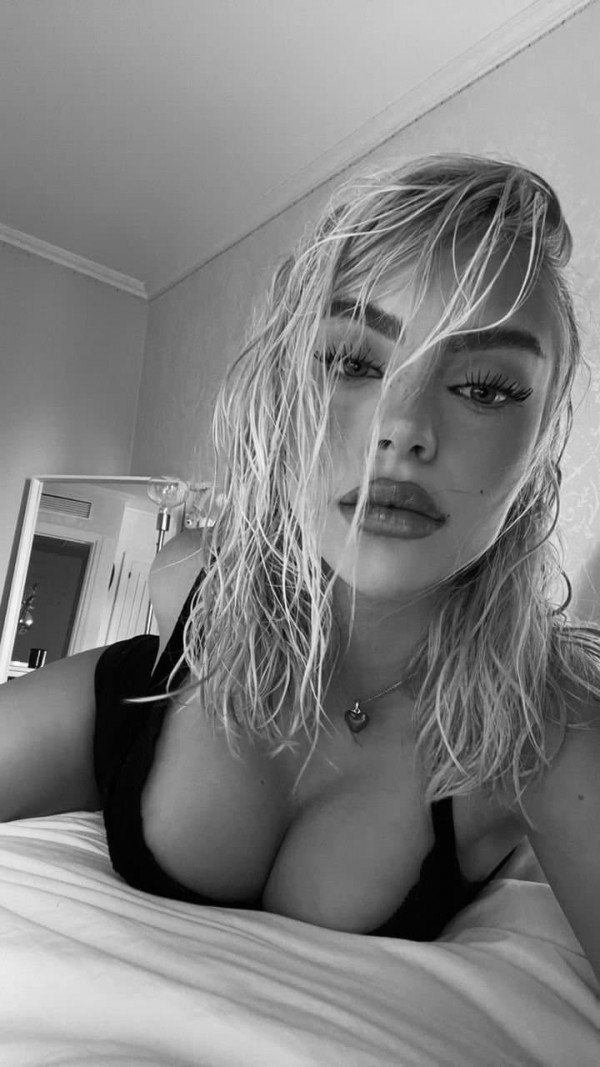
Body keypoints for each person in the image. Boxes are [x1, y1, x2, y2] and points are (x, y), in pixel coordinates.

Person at [1, 155, 599, 978]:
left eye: (486, 388)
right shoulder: (185, 587)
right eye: (354, 363)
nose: (402, 428)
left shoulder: (547, 728)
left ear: (542, 440)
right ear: (286, 390)